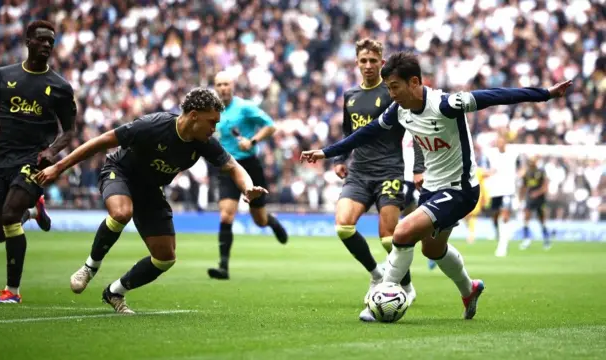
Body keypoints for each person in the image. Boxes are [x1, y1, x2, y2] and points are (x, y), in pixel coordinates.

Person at [301, 51, 572, 320]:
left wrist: (545, 93)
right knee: (432, 249)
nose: (391, 94)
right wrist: (327, 152)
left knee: (403, 230)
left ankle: (383, 293)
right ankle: (470, 289)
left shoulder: (446, 104)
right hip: (432, 188)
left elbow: (496, 96)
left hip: (460, 189)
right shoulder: (399, 110)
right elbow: (367, 132)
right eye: (389, 88)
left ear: (415, 82)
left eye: (395, 87)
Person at [36, 88, 268, 313]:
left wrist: (248, 188)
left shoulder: (204, 143)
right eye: (212, 122)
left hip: (150, 189)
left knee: (165, 258)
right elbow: (101, 141)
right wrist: (59, 167)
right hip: (121, 173)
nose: (214, 129)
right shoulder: (153, 125)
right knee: (121, 213)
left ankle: (114, 292)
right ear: (194, 116)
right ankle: (89, 268)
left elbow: (233, 167)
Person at [0, 20, 76, 304]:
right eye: (41, 39)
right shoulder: (3, 76)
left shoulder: (60, 87)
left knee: (7, 216)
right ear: (28, 41)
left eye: (51, 41)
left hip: (34, 159)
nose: (47, 45)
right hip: (3, 159)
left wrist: (52, 151)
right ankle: (33, 212)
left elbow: (70, 131)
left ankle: (12, 292)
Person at [330, 39, 422, 321]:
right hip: (359, 171)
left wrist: (418, 167)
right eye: (363, 61)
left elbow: (414, 127)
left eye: (373, 61)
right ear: (356, 63)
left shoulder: (393, 92)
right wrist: (339, 160)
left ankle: (404, 285)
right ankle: (376, 274)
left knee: (388, 238)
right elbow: (349, 133)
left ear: (382, 63)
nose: (368, 66)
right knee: (343, 226)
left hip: (389, 170)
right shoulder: (351, 96)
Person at [209, 71, 288, 280]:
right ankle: (223, 266)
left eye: (226, 84)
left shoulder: (245, 107)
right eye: (219, 84)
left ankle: (271, 222)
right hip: (227, 166)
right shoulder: (211, 111)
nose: (223, 88)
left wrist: (252, 141)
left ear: (232, 86)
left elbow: (271, 126)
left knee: (259, 220)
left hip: (250, 166)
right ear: (215, 87)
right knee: (226, 214)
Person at [485, 135, 520, 257]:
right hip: (495, 190)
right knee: (495, 216)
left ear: (506, 143)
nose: (499, 144)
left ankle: (502, 245)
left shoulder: (513, 154)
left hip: (508, 190)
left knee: (505, 215)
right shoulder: (491, 154)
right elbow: (486, 168)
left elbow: (521, 166)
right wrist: (488, 173)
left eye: (502, 142)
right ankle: (499, 234)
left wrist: (519, 174)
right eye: (498, 142)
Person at [519, 157, 552, 250]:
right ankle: (526, 239)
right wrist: (520, 199)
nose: (531, 163)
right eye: (529, 161)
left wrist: (537, 193)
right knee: (526, 218)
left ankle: (546, 240)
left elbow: (545, 187)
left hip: (540, 199)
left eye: (532, 161)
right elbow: (523, 186)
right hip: (529, 199)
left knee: (542, 220)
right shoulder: (527, 173)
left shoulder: (541, 172)